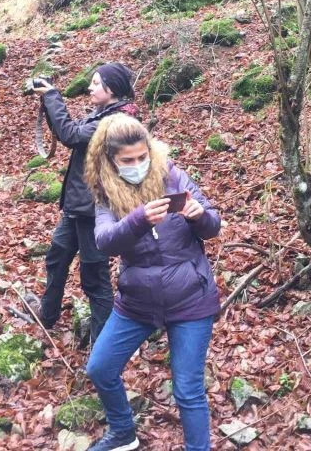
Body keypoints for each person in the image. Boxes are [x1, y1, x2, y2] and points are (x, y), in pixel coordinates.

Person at [81, 113, 221, 451]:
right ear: (111, 161)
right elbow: (105, 241)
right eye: (127, 160)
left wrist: (200, 216)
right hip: (137, 301)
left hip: (191, 297)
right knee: (100, 368)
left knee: (187, 389)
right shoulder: (105, 193)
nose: (137, 164)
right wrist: (139, 219)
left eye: (142, 156)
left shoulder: (172, 175)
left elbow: (213, 224)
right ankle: (123, 432)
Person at [28, 63, 138, 342]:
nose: (89, 87)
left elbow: (72, 136)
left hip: (95, 211)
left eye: (96, 83)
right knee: (56, 258)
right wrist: (47, 98)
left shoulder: (115, 123)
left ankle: (102, 347)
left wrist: (53, 96)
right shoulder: (103, 114)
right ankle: (47, 315)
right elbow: (71, 133)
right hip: (78, 206)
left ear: (111, 89)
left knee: (94, 278)